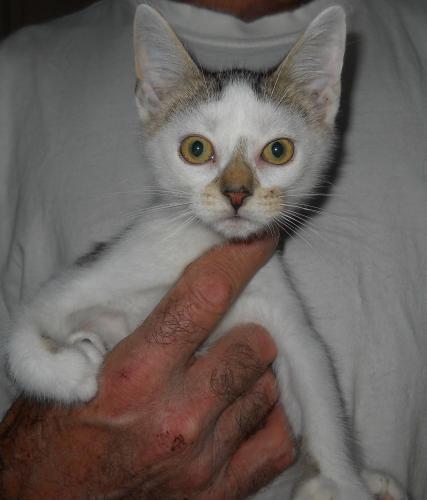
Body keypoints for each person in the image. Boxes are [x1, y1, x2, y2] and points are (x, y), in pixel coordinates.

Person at [0, 0, 426, 498]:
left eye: (277, 151)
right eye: (198, 150)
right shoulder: (18, 71)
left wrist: (338, 477)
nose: (238, 188)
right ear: (154, 104)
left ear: (321, 103)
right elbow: (35, 326)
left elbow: (300, 356)